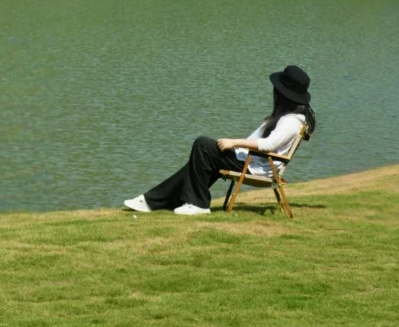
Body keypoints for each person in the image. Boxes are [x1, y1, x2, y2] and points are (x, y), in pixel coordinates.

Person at [124, 65, 315, 216]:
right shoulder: (289, 116)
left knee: (203, 144)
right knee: (200, 159)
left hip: (255, 166)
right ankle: (153, 200)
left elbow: (269, 145)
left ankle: (197, 204)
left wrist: (234, 142)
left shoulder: (290, 121)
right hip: (252, 161)